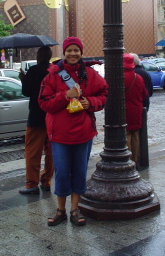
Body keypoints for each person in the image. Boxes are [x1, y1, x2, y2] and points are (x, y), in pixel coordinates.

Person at [39, 37, 108, 226]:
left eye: (76, 50)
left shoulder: (91, 75)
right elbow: (44, 103)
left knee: (79, 171)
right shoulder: (52, 75)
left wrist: (90, 103)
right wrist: (65, 95)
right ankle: (60, 209)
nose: (72, 54)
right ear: (63, 52)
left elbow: (104, 94)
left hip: (83, 133)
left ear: (81, 52)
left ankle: (75, 209)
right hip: (59, 135)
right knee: (61, 172)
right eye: (69, 50)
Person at [18, 46, 54, 195]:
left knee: (33, 152)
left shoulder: (33, 71)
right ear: (50, 56)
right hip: (52, 116)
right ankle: (46, 181)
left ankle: (32, 183)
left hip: (36, 117)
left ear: (39, 56)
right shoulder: (55, 71)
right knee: (51, 151)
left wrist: (23, 78)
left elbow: (26, 91)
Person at [124, 54, 148, 164]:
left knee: (127, 134)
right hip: (137, 109)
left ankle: (128, 160)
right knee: (135, 134)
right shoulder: (138, 77)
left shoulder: (120, 77)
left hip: (125, 110)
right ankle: (135, 159)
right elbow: (144, 94)